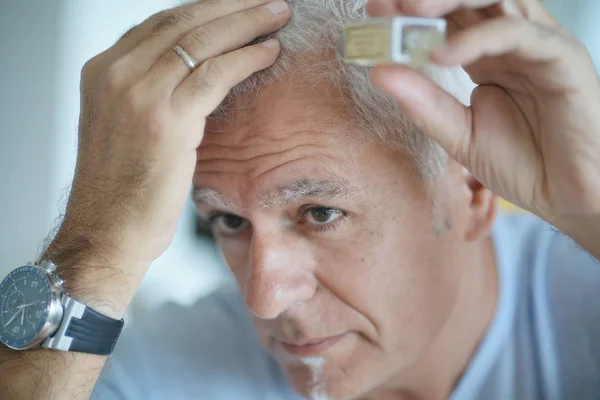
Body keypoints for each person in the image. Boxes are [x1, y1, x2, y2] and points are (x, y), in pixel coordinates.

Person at [1, 0, 599, 399]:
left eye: (320, 213)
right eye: (229, 220)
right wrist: (95, 247)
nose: (263, 300)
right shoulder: (170, 365)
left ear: (472, 190)